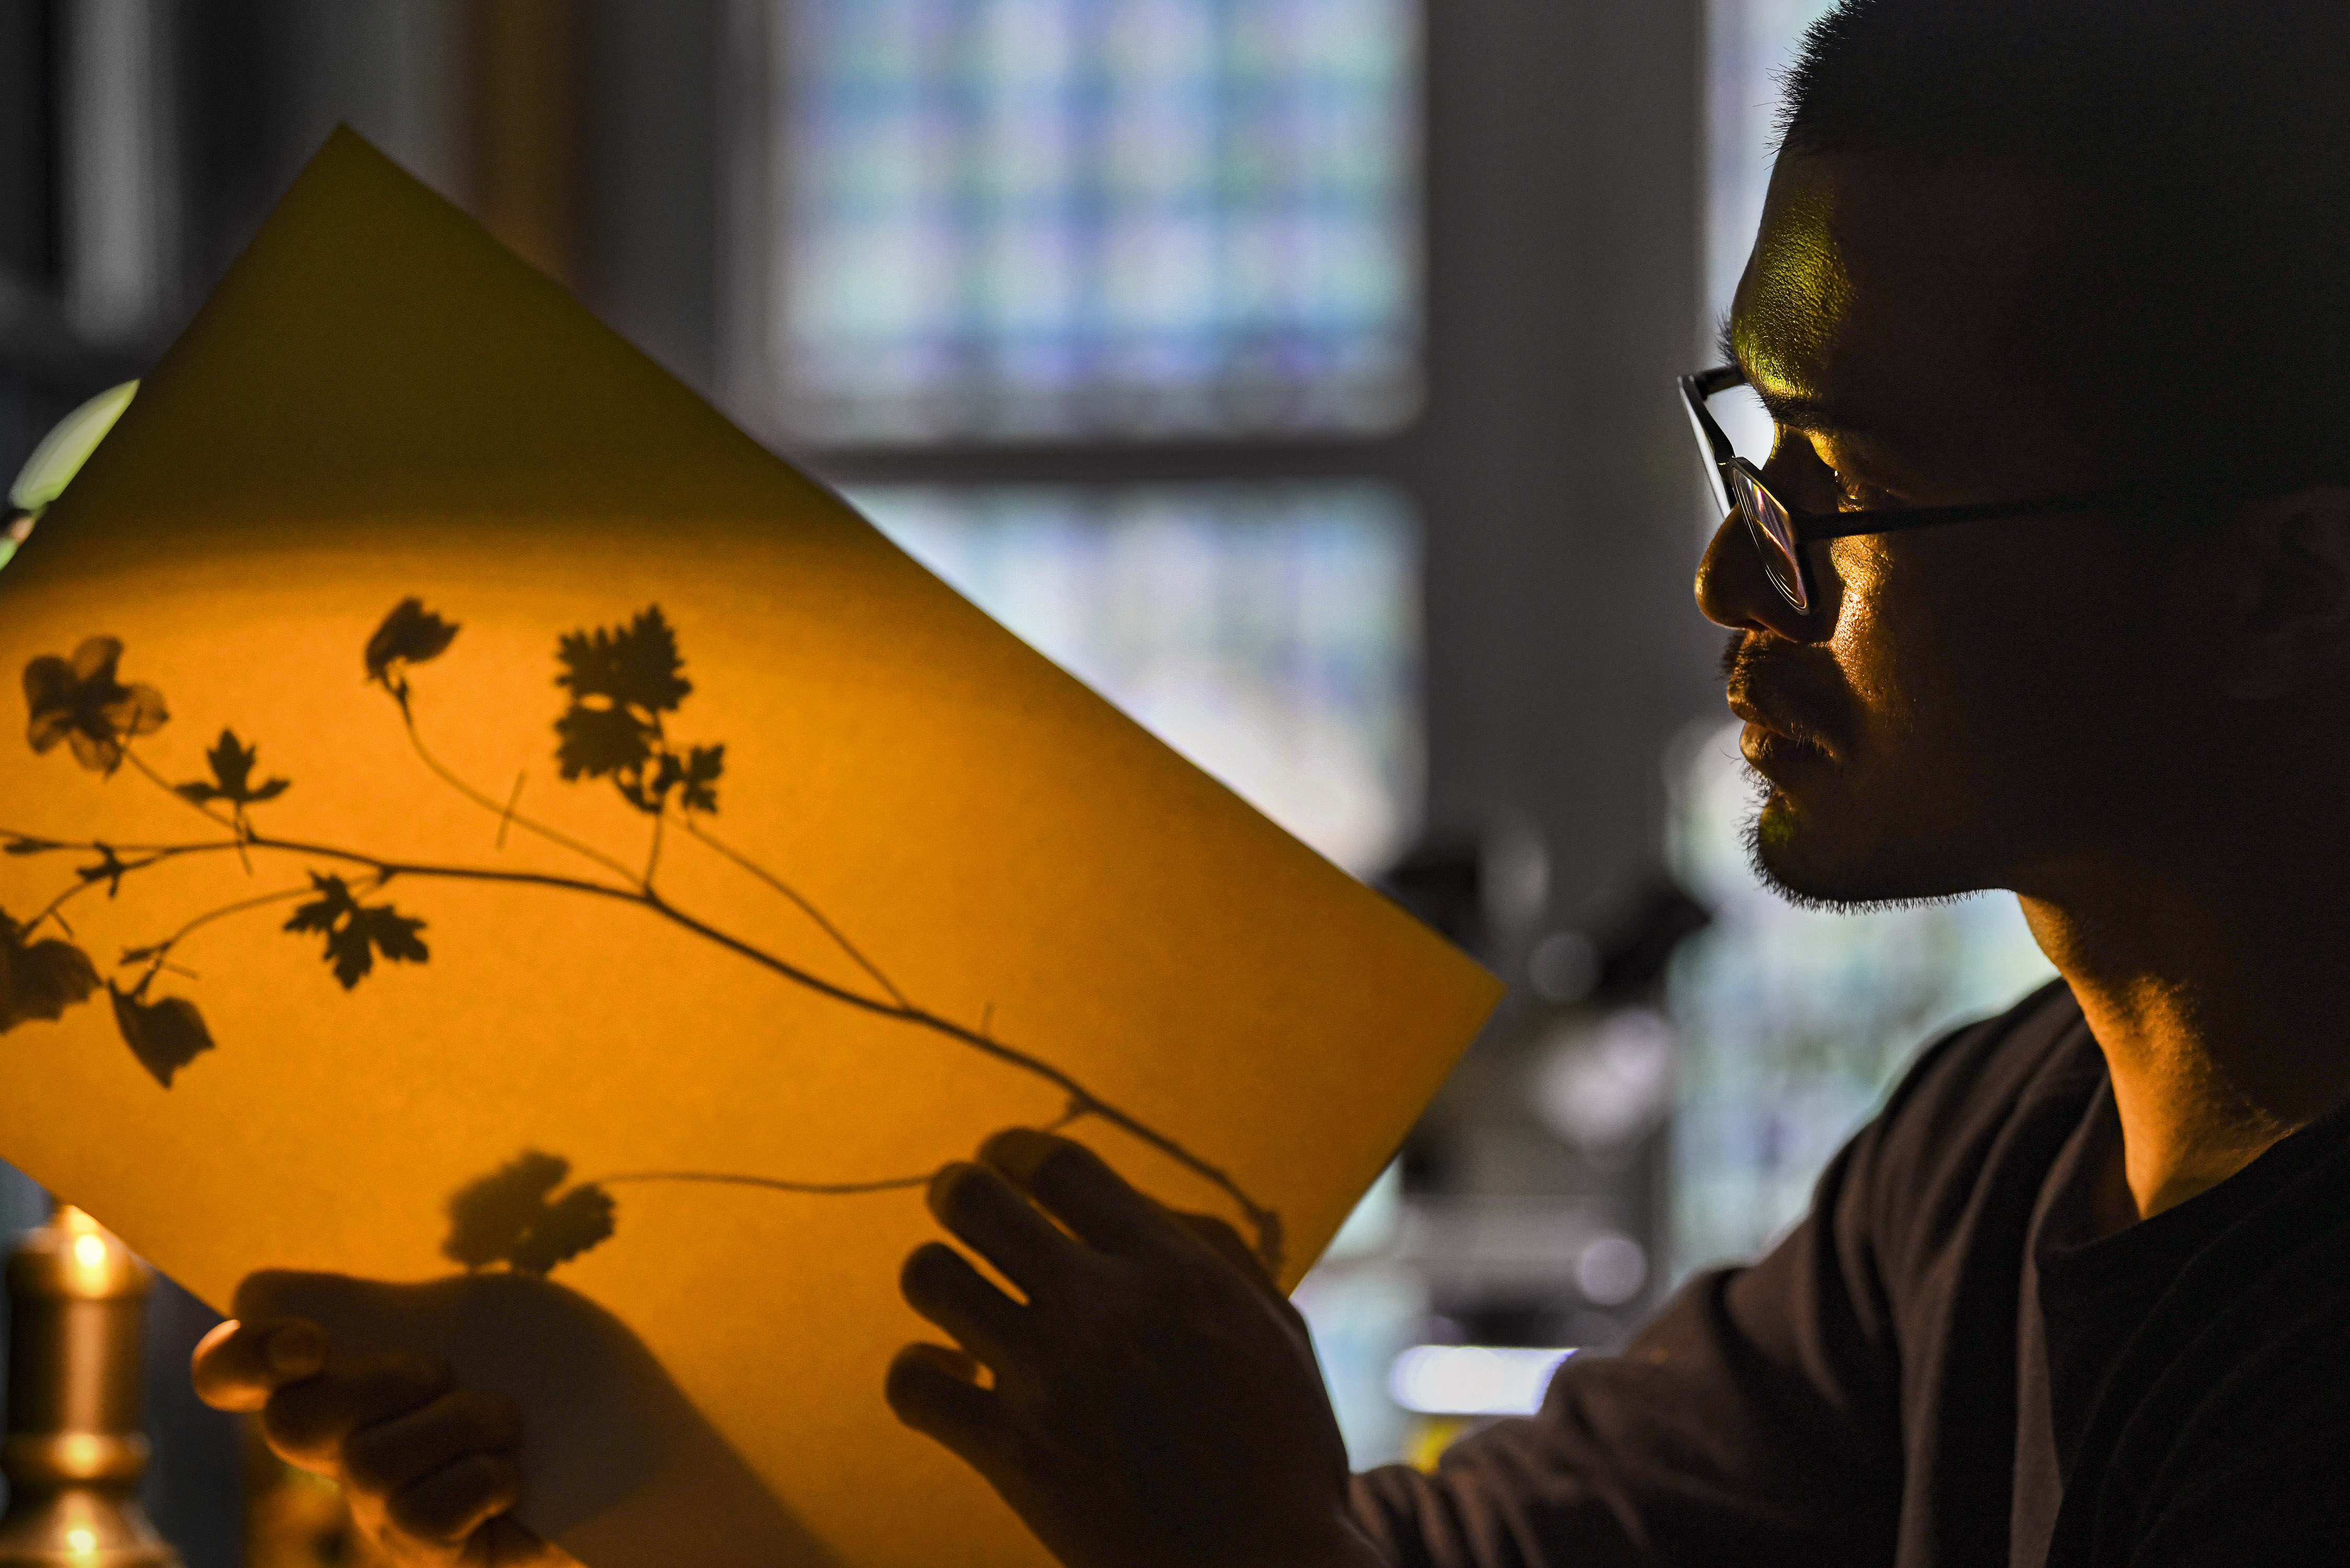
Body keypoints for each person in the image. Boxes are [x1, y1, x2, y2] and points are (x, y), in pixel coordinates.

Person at [191, 0, 2350, 1562]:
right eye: (1754, 449)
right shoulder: (1995, 1152)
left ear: (2281, 585)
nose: (1729, 568)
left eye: (1845, 490)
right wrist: (661, 1456)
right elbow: (1472, 1550)